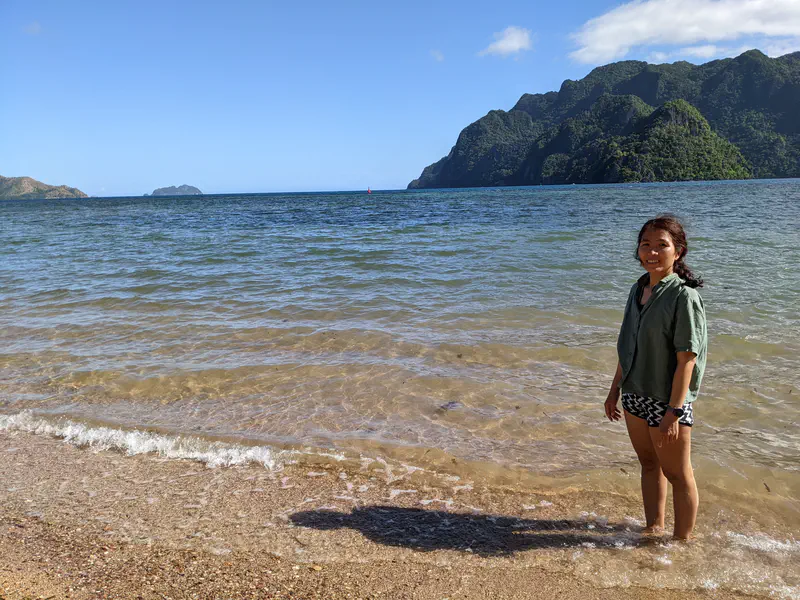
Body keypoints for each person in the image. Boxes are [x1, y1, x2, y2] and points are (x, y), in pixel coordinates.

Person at [604, 215, 707, 540]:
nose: (651, 252)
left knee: (678, 474)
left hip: (668, 402)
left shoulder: (683, 297)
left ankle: (682, 543)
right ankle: (653, 529)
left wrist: (675, 411)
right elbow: (628, 347)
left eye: (661, 245)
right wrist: (613, 391)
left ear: (678, 251)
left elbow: (687, 360)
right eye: (645, 245)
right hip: (635, 394)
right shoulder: (638, 289)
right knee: (649, 464)